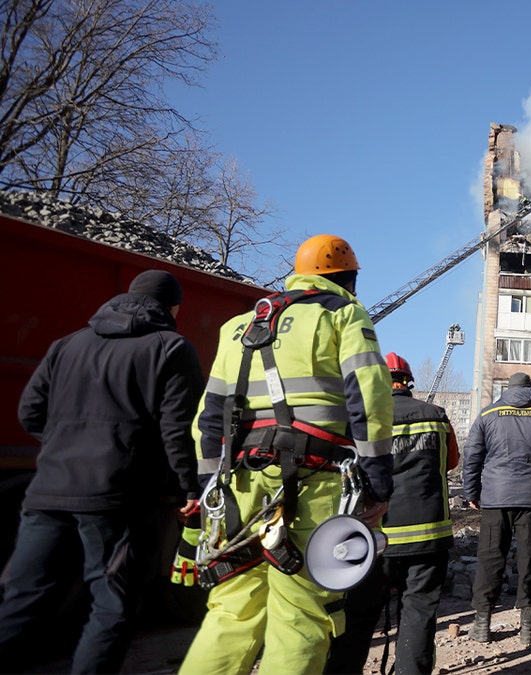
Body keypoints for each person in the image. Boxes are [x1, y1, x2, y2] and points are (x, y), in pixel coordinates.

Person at [180, 234, 395, 674]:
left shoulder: (238, 326)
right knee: (301, 613)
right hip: (311, 481)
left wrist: (208, 489)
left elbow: (208, 417)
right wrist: (377, 485)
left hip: (238, 485)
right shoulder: (343, 314)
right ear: (349, 280)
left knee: (231, 609)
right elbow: (370, 399)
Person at [0, 270, 204, 673]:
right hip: (116, 499)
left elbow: (30, 412)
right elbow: (177, 432)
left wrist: (65, 447)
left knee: (23, 600)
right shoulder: (171, 348)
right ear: (174, 307)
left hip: (47, 492)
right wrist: (189, 488)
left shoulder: (67, 344)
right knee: (112, 605)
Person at [324, 353, 459, 675]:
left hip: (374, 538)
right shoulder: (437, 416)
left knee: (358, 616)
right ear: (408, 382)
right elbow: (451, 461)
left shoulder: (361, 418)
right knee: (419, 613)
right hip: (429, 536)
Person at [462, 372, 531, 645]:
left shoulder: (488, 414)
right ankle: (527, 628)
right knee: (530, 559)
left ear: (507, 389)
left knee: (490, 558)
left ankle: (482, 625)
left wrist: (472, 492)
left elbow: (472, 456)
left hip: (495, 498)